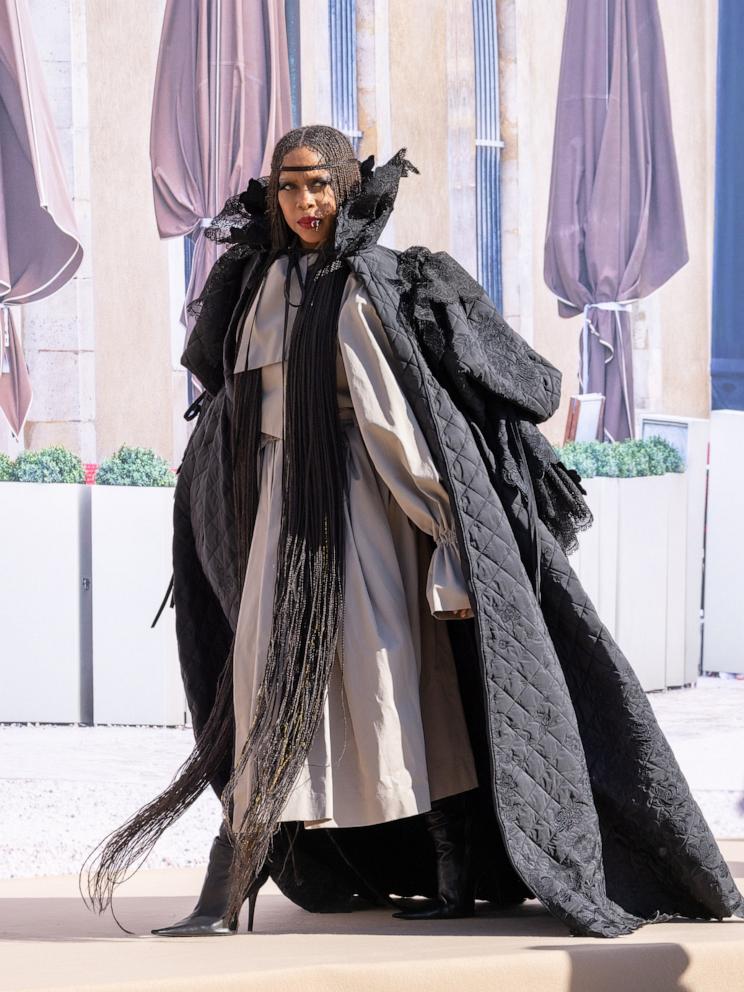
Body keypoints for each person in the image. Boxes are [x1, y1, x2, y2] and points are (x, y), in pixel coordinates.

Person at [83, 125, 744, 940]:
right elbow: (232, 408)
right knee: (262, 685)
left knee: (402, 687)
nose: (304, 203)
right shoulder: (258, 284)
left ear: (348, 187)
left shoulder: (368, 286)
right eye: (289, 187)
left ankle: (454, 875)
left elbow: (399, 425)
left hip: (366, 512)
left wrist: (448, 541)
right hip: (284, 514)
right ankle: (225, 894)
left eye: (319, 186)